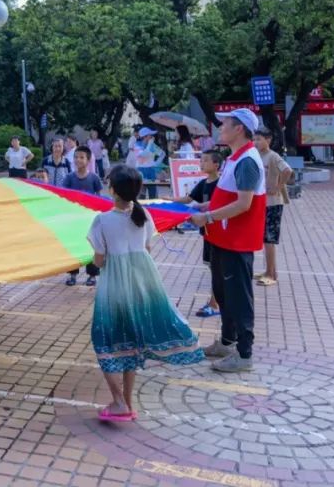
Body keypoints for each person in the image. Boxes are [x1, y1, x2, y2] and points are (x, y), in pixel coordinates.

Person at [89, 165, 203, 421]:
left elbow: (99, 260)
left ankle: (119, 402)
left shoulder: (102, 220)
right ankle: (127, 402)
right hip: (143, 284)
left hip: (114, 288)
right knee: (132, 342)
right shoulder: (145, 216)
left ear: (113, 190)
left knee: (104, 338)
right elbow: (147, 248)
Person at [190, 108, 266, 373]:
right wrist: (206, 206)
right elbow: (227, 195)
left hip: (237, 241)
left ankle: (244, 354)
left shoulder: (247, 161)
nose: (220, 128)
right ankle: (226, 342)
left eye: (225, 124)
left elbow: (244, 204)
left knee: (239, 298)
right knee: (223, 293)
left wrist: (208, 216)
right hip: (222, 238)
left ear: (239, 129)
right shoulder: (234, 158)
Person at [170, 150, 222, 317]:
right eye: (201, 160)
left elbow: (217, 202)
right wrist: (169, 200)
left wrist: (201, 207)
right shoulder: (203, 183)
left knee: (217, 268)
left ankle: (215, 304)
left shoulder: (222, 184)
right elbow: (189, 199)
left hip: (219, 232)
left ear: (216, 165)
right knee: (212, 267)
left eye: (206, 160)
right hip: (207, 232)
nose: (202, 163)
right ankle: (216, 302)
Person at [254, 127, 293, 287]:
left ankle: (271, 274)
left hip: (273, 203)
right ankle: (269, 271)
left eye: (259, 139)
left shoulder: (273, 156)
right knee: (264, 238)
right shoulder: (257, 155)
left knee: (269, 239)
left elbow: (287, 171)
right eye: (254, 139)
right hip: (262, 202)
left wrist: (278, 186)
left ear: (268, 140)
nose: (256, 142)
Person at [62, 146, 103, 286]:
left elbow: (99, 198)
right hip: (73, 219)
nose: (78, 160)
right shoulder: (69, 178)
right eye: (76, 157)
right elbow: (64, 197)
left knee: (91, 246)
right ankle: (72, 274)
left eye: (81, 157)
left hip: (90, 219)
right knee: (73, 246)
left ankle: (92, 275)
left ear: (88, 160)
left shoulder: (94, 178)